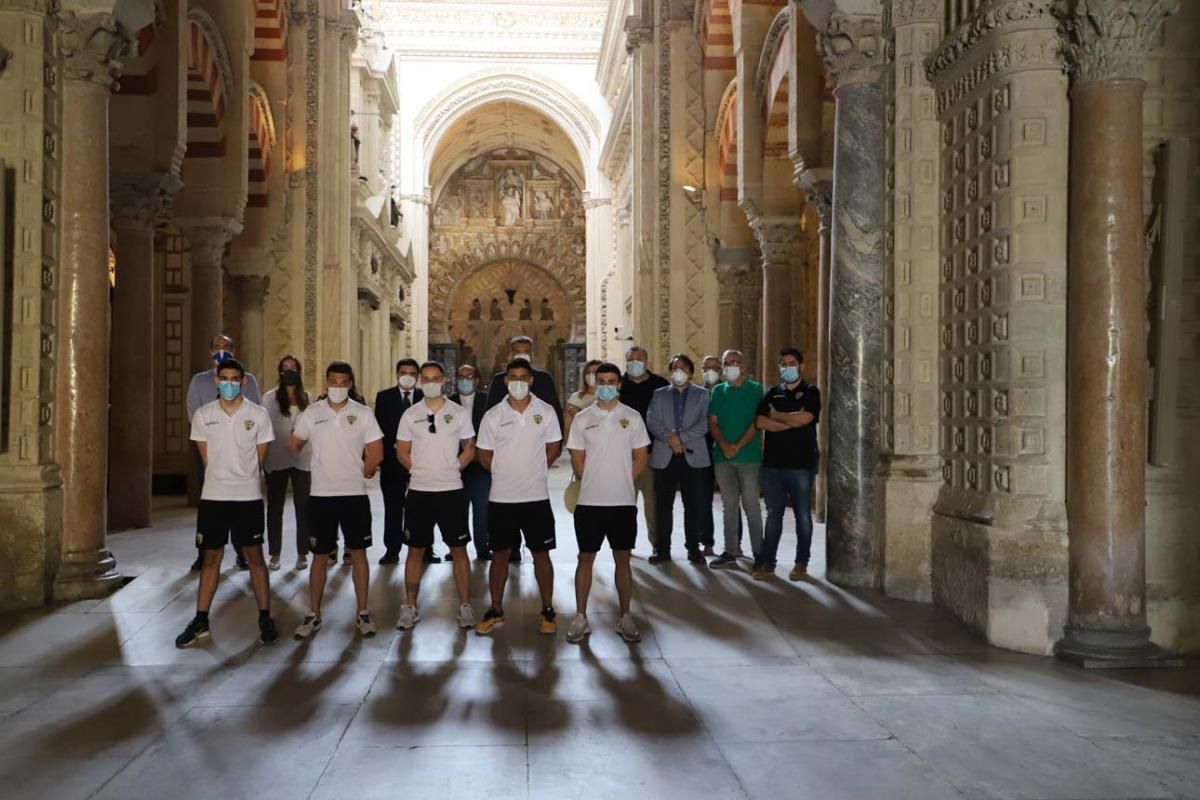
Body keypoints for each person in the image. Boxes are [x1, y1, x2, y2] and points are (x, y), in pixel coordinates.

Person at [175, 358, 278, 648]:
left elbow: (259, 457)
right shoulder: (203, 415)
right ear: (217, 382)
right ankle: (200, 620)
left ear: (243, 382)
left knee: (255, 557)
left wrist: (241, 476)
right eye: (225, 379)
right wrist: (223, 476)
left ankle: (265, 617)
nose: (230, 384)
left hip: (248, 497)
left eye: (235, 379)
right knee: (211, 558)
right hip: (214, 497)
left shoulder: (258, 415)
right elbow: (206, 457)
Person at [289, 361, 384, 639]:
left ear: (351, 384)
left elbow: (376, 451)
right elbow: (295, 443)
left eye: (344, 382)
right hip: (321, 495)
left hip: (353, 495)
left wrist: (365, 471)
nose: (338, 387)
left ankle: (363, 611)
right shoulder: (312, 413)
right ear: (325, 382)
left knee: (358, 554)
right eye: (333, 381)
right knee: (320, 556)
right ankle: (314, 613)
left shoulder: (363, 413)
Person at [473, 360, 563, 636]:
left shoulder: (545, 412)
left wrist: (533, 470)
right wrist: (506, 472)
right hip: (502, 498)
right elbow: (484, 456)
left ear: (532, 381)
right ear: (505, 381)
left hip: (536, 497)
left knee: (541, 555)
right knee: (499, 556)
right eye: (513, 377)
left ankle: (547, 608)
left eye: (524, 377)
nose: (519, 382)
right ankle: (496, 609)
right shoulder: (493, 416)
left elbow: (553, 449)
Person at [564, 362, 650, 644]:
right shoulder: (582, 418)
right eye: (601, 381)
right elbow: (577, 457)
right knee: (585, 557)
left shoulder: (633, 417)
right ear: (594, 384)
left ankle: (625, 615)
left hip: (622, 502)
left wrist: (623, 479)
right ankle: (580, 616)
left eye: (612, 381)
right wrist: (593, 479)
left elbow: (641, 456)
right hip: (589, 502)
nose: (606, 385)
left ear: (620, 385)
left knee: (622, 558)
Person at [394, 361, 477, 631]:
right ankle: (410, 606)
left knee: (459, 549)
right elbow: (402, 450)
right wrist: (416, 469)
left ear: (444, 381)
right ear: (420, 381)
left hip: (451, 490)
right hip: (419, 491)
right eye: (426, 378)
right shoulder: (410, 414)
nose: (431, 382)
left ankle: (465, 605)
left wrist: (455, 466)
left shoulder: (459, 412)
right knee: (415, 550)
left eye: (436, 378)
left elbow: (469, 447)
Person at [484, 335, 564, 564]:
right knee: (507, 509)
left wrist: (544, 462)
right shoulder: (500, 379)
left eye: (526, 350)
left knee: (534, 508)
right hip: (506, 461)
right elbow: (490, 414)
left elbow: (554, 413)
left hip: (534, 458)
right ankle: (513, 548)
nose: (522, 353)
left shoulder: (544, 379)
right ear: (510, 353)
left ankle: (533, 545)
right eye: (517, 350)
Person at [186, 334, 262, 571]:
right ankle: (205, 552)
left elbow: (256, 413)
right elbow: (193, 413)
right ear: (210, 352)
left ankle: (243, 552)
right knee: (209, 501)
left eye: (226, 347)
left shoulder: (247, 380)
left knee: (242, 504)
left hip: (242, 451)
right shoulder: (199, 381)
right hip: (210, 447)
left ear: (234, 350)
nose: (222, 350)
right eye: (217, 347)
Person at [754, 348, 822, 581]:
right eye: (783, 364)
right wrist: (790, 421)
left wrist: (777, 416)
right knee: (774, 514)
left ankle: (801, 563)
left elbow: (807, 418)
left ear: (801, 366)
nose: (787, 368)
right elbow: (761, 421)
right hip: (773, 464)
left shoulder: (811, 392)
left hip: (802, 465)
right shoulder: (772, 393)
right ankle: (767, 562)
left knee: (803, 515)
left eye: (791, 363)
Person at [375, 358, 442, 566]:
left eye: (413, 373)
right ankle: (392, 550)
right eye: (404, 372)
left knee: (423, 508)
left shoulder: (426, 397)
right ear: (396, 374)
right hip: (393, 464)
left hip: (421, 463)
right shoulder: (384, 397)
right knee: (393, 507)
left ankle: (426, 548)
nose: (408, 376)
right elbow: (378, 429)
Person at [646, 354, 711, 565]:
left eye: (683, 367)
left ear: (691, 372)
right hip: (665, 456)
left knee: (693, 505)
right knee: (663, 506)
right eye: (675, 367)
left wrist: (680, 439)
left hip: (693, 456)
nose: (679, 371)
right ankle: (662, 549)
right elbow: (652, 420)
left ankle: (693, 548)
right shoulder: (659, 394)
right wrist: (670, 439)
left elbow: (705, 423)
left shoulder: (703, 395)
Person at [708, 349, 764, 570]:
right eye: (726, 362)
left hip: (748, 456)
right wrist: (724, 446)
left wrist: (737, 446)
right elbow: (713, 422)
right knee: (729, 505)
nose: (730, 366)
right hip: (722, 457)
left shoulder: (755, 389)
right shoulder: (718, 391)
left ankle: (760, 553)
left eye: (735, 362)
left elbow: (757, 422)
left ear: (743, 365)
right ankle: (730, 550)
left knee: (751, 505)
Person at [262, 355, 312, 572]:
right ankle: (275, 554)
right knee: (274, 508)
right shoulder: (269, 398)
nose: (289, 371)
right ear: (280, 372)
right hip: (276, 457)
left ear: (299, 372)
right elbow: (263, 428)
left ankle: (302, 553)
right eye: (285, 368)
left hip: (303, 459)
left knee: (304, 508)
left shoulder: (308, 398)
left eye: (293, 367)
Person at [619, 344, 669, 546]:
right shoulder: (618, 385)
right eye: (631, 359)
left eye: (639, 359)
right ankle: (625, 545)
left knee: (654, 504)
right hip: (623, 455)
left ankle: (657, 544)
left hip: (652, 454)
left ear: (646, 361)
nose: (635, 363)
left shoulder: (660, 384)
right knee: (624, 505)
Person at [450, 364, 491, 561]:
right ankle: (457, 548)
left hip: (480, 465)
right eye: (461, 376)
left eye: (469, 376)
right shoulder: (447, 402)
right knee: (457, 508)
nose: (465, 380)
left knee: (481, 506)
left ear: (476, 380)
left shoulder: (488, 401)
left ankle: (482, 547)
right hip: (453, 465)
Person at [699, 354, 723, 556]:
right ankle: (707, 541)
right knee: (704, 499)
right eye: (706, 368)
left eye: (715, 367)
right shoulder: (697, 393)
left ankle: (736, 542)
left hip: (726, 448)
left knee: (731, 499)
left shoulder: (729, 391)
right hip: (703, 450)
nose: (711, 371)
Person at [563, 358, 601, 444]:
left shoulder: (608, 396)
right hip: (580, 444)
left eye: (595, 372)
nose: (591, 375)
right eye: (588, 372)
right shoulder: (575, 398)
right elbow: (567, 428)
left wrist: (579, 412)